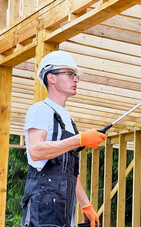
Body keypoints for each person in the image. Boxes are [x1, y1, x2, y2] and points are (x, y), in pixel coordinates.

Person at [20, 50, 106, 227]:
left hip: (62, 209)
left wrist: (85, 204)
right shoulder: (41, 109)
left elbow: (68, 171)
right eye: (70, 74)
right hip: (42, 208)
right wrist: (79, 140)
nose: (76, 79)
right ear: (51, 78)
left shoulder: (68, 120)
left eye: (76, 75)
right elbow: (35, 151)